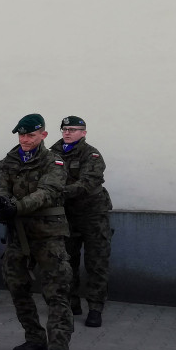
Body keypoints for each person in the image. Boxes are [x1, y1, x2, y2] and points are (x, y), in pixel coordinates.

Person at [0, 113, 74, 350]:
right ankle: (35, 337)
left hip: (48, 235)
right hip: (18, 234)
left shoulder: (54, 161)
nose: (25, 140)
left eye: (30, 135)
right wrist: (2, 205)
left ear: (43, 135)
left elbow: (48, 192)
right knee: (15, 284)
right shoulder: (10, 159)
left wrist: (16, 207)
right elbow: (0, 186)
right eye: (21, 135)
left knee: (56, 293)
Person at [50, 115, 112, 328]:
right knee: (67, 261)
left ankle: (95, 307)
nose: (67, 133)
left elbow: (87, 183)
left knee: (96, 262)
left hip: (93, 214)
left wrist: (56, 192)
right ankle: (71, 302)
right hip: (67, 215)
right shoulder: (52, 153)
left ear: (83, 133)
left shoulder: (91, 155)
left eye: (73, 129)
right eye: (65, 129)